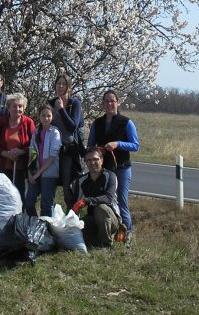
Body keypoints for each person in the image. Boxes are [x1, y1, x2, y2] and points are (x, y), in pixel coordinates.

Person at [87, 89, 139, 244]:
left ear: (118, 103)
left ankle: (126, 234)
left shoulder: (126, 122)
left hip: (122, 167)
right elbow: (90, 145)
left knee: (122, 201)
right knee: (106, 201)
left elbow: (135, 145)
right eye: (106, 101)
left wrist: (118, 144)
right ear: (103, 104)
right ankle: (107, 230)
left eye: (112, 101)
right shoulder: (98, 123)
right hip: (104, 170)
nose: (109, 104)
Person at [47, 73, 84, 208]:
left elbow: (72, 126)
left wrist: (61, 109)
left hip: (68, 149)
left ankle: (71, 218)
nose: (61, 86)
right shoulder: (50, 103)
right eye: (58, 83)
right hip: (52, 150)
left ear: (69, 87)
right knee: (50, 185)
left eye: (64, 84)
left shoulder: (74, 103)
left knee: (68, 187)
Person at [0, 93, 34, 200]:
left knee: (19, 197)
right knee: (2, 198)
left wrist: (22, 151)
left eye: (20, 106)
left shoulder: (28, 123)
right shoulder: (1, 122)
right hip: (2, 167)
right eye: (14, 106)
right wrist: (6, 154)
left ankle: (19, 216)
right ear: (8, 108)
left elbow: (34, 145)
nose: (17, 109)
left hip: (21, 168)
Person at [71, 147, 120, 247]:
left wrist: (86, 200)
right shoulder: (82, 180)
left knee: (101, 208)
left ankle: (105, 244)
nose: (92, 163)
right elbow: (76, 202)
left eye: (95, 159)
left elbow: (109, 198)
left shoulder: (110, 176)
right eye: (88, 160)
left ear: (101, 160)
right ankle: (94, 239)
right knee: (75, 229)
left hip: (111, 218)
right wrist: (71, 219)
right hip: (92, 218)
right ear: (85, 162)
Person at [25, 103, 61, 218]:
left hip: (48, 173)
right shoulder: (36, 133)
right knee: (29, 202)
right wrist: (30, 172)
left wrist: (40, 173)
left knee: (46, 205)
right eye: (43, 116)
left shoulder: (54, 132)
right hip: (35, 171)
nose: (46, 118)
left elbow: (52, 155)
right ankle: (35, 224)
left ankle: (47, 230)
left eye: (48, 116)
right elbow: (32, 152)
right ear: (38, 117)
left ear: (52, 117)